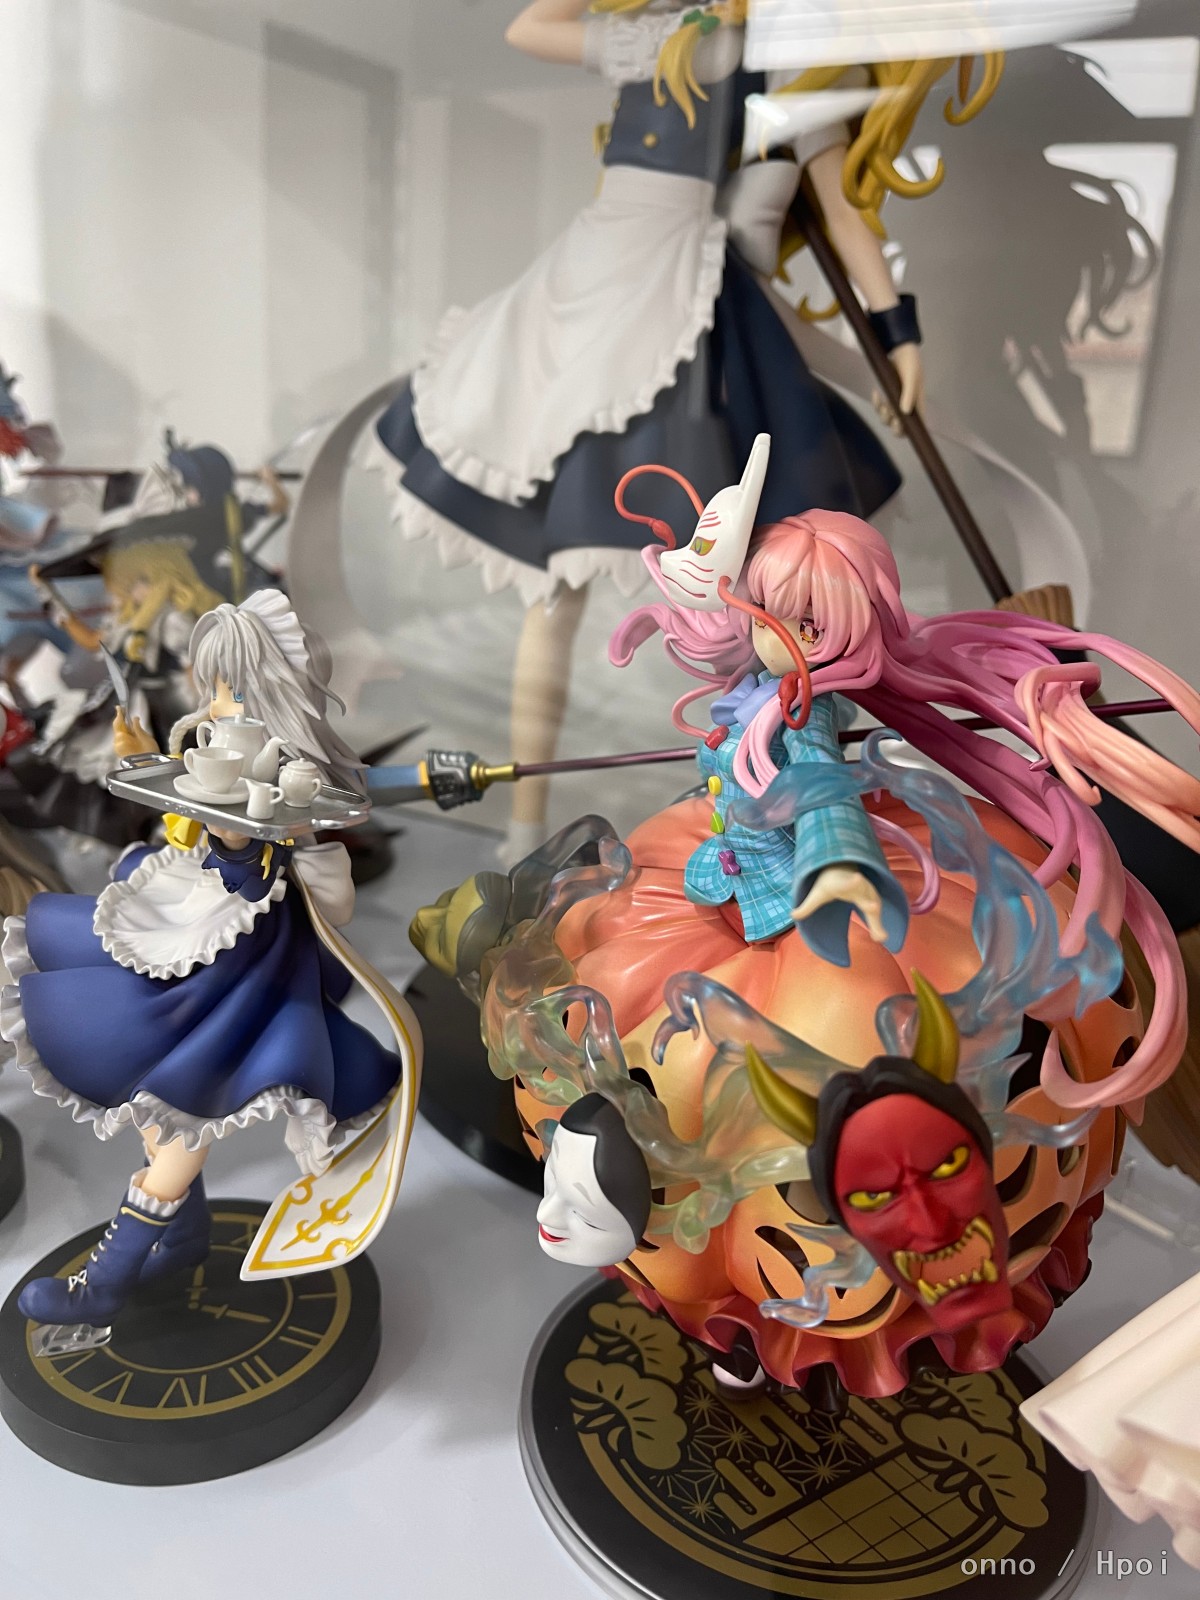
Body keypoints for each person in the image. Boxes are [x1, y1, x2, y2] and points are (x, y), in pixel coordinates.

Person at [373, 0, 1000, 862]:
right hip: (593, 296)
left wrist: (898, 331)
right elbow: (531, 28)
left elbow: (840, 211)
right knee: (553, 586)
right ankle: (524, 832)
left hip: (688, 312)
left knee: (742, 591)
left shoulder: (789, 59)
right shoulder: (664, 36)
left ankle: (744, 819)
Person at [1, 590, 402, 1342]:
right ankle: (183, 1240)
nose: (217, 705)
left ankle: (105, 1285)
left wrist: (245, 841)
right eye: (214, 689)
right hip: (189, 934)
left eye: (232, 692)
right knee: (157, 1105)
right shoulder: (222, 750)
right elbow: (189, 820)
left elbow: (279, 880)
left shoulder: (288, 781)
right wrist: (148, 764)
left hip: (242, 976)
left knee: (185, 1106)